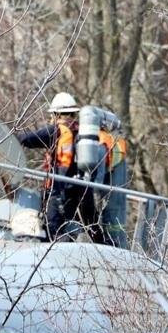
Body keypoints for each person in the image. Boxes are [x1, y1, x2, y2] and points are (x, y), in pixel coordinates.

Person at [15, 92, 102, 242]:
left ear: (57, 114)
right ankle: (105, 247)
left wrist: (10, 136)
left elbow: (28, 139)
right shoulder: (81, 133)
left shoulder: (56, 131)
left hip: (58, 191)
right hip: (80, 191)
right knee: (87, 226)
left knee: (52, 230)